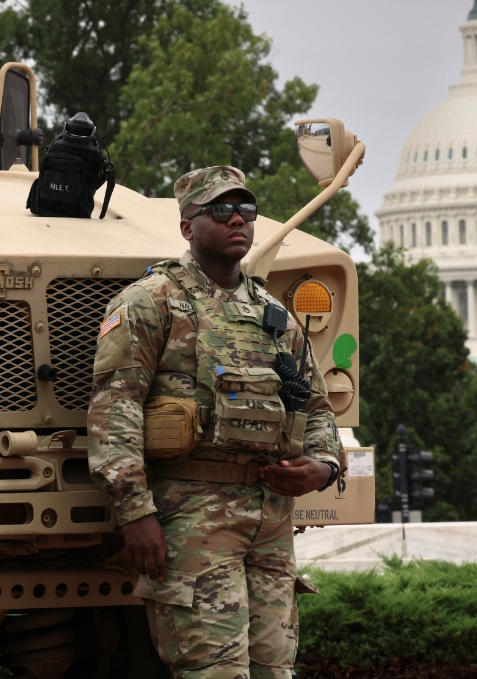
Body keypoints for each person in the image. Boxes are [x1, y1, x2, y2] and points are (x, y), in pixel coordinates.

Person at [87, 166, 346, 679]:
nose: (238, 220)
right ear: (187, 226)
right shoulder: (151, 301)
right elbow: (114, 409)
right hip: (192, 516)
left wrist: (324, 467)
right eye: (220, 210)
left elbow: (314, 406)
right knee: (213, 673)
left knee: (276, 671)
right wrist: (135, 512)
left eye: (246, 211)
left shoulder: (274, 314)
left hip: (270, 521)